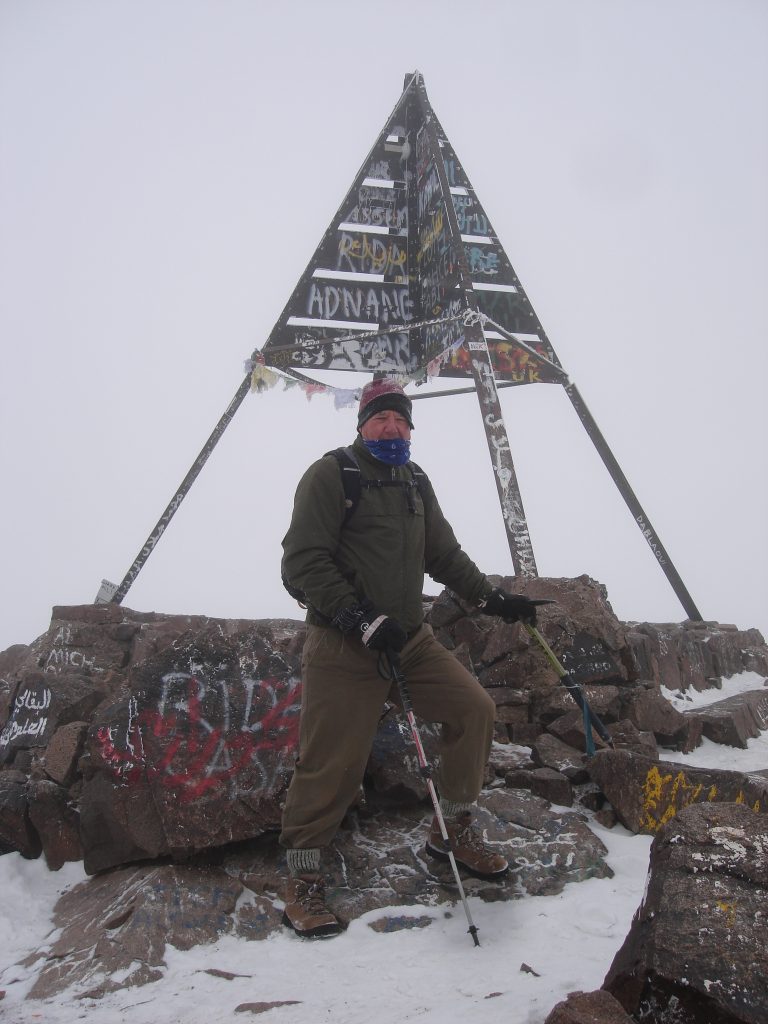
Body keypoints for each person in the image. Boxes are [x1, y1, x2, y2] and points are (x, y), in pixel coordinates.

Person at [279, 378, 540, 938]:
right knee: (332, 762)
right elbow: (301, 562)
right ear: (362, 424)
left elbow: (442, 554)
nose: (392, 428)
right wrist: (358, 617)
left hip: (408, 640)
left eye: (401, 420)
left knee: (474, 709)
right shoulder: (332, 474)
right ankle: (302, 878)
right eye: (381, 418)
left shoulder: (415, 482)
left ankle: (452, 832)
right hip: (344, 644)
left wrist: (493, 599)